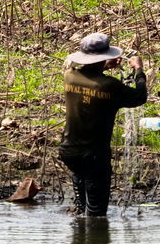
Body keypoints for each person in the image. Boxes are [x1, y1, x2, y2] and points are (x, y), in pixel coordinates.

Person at [60, 33, 147, 216]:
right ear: (104, 58)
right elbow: (139, 96)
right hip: (94, 155)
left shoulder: (69, 76)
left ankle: (80, 236)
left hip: (69, 151)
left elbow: (89, 76)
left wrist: (103, 65)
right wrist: (139, 70)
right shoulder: (110, 86)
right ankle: (95, 241)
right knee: (96, 215)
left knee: (82, 205)